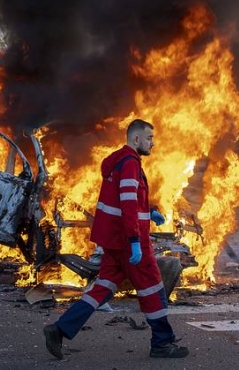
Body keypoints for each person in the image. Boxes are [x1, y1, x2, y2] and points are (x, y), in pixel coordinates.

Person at [43, 119, 188, 360]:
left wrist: (148, 211)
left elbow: (126, 201)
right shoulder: (130, 164)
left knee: (102, 288)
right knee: (153, 288)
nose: (153, 142)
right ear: (136, 139)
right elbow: (128, 204)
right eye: (149, 137)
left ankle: (59, 329)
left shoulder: (118, 161)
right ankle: (162, 342)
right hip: (129, 242)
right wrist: (134, 241)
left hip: (113, 241)